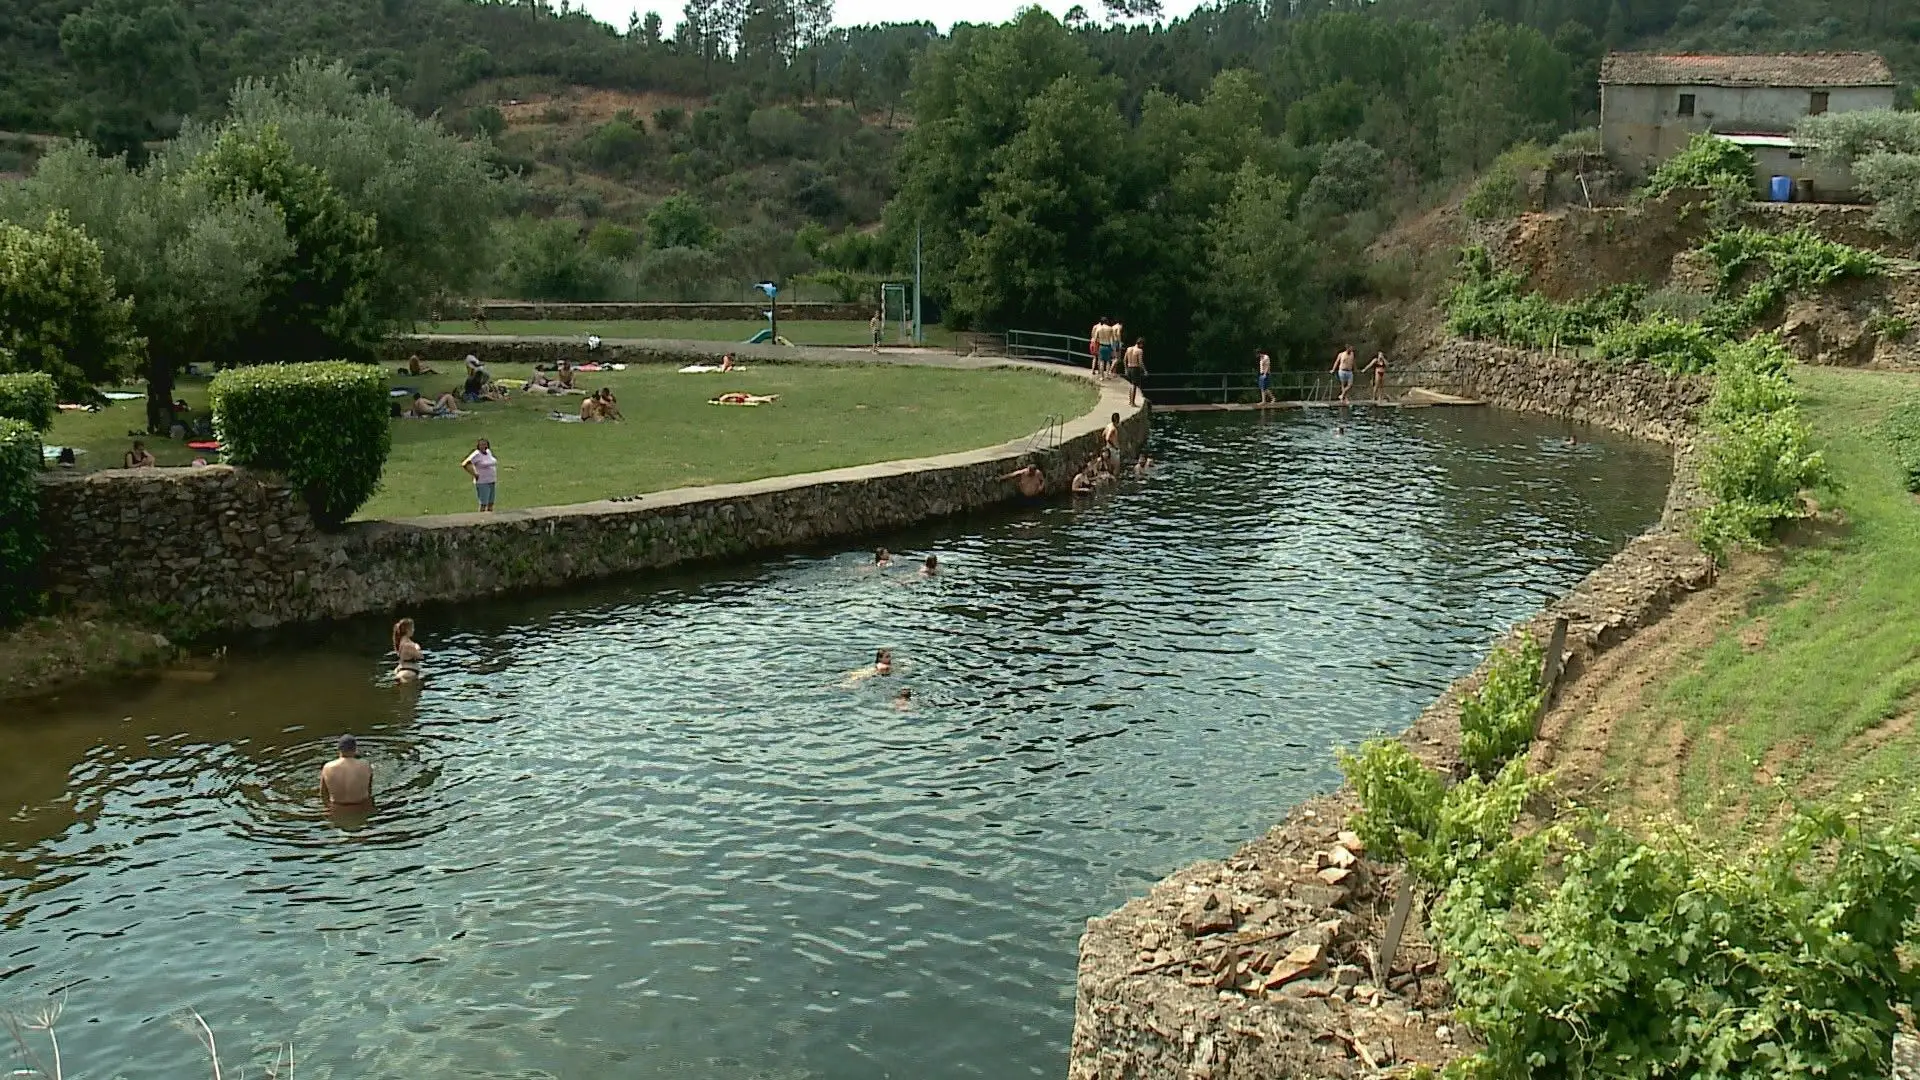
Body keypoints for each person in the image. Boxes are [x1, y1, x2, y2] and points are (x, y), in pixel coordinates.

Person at [320, 734, 374, 807]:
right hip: (362, 807)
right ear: (355, 749)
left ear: (339, 749)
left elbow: (323, 794)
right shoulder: (366, 765)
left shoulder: (327, 767)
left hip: (336, 808)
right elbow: (369, 790)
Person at [462, 438, 497, 511]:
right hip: (482, 482)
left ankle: (490, 516)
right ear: (478, 446)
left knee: (491, 503)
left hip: (491, 480)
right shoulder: (477, 454)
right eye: (481, 445)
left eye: (485, 444)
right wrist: (474, 474)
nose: (483, 446)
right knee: (483, 503)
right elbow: (465, 464)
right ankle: (481, 517)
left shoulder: (488, 452)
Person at [391, 618, 424, 683]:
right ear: (407, 630)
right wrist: (417, 647)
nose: (414, 630)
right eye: (412, 628)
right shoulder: (408, 644)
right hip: (409, 671)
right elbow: (421, 656)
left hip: (402, 668)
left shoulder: (401, 641)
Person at [1123, 339, 1147, 407]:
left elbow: (1124, 360)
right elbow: (1140, 362)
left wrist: (1125, 369)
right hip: (1135, 368)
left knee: (1131, 384)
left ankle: (1130, 401)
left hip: (1129, 367)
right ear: (1141, 344)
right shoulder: (1139, 351)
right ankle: (1132, 403)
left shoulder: (1129, 349)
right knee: (1134, 385)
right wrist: (1144, 370)